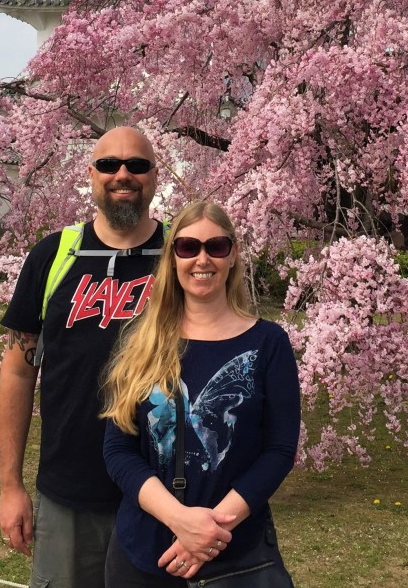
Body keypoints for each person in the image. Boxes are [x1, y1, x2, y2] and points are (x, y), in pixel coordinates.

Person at [0, 126, 166, 588]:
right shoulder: (54, 255)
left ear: (155, 175)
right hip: (69, 493)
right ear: (91, 174)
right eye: (109, 164)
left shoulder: (183, 257)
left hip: (166, 497)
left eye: (137, 164)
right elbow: (17, 372)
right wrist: (10, 485)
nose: (123, 174)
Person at [102, 200, 300, 586]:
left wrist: (210, 531)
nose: (202, 259)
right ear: (173, 257)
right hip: (142, 555)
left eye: (216, 247)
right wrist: (181, 520)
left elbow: (279, 450)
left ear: (233, 255)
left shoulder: (268, 343)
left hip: (233, 555)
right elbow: (118, 448)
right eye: (188, 247)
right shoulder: (142, 341)